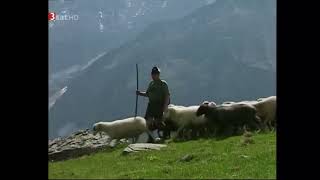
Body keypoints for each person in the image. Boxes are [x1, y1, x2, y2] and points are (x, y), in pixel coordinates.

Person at [136, 66, 170, 142]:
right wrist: (140, 93)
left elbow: (167, 96)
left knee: (158, 122)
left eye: (156, 74)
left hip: (159, 105)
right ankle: (151, 138)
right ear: (151, 75)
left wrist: (165, 107)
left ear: (158, 74)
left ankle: (165, 135)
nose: (154, 75)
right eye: (153, 74)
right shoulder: (151, 84)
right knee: (147, 123)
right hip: (151, 105)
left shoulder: (163, 84)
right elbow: (148, 94)